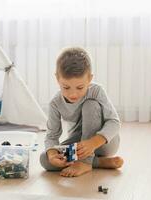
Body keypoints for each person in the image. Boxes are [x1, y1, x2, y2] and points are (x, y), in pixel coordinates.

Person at [39, 47, 124, 177]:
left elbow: (114, 122)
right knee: (45, 160)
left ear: (89, 79)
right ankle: (99, 162)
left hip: (103, 143)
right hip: (80, 146)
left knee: (91, 105)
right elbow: (52, 136)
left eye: (80, 87)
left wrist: (93, 143)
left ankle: (86, 162)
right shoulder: (55, 103)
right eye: (66, 87)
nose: (73, 94)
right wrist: (52, 154)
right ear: (57, 79)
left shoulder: (96, 91)